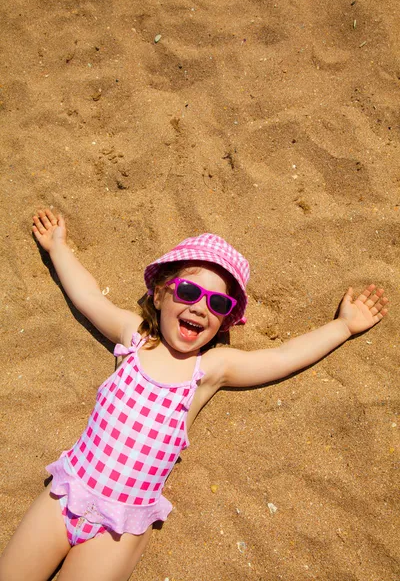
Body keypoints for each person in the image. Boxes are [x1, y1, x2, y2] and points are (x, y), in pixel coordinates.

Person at [0, 209, 389, 581]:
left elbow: (282, 357)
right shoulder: (134, 337)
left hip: (121, 526)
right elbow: (89, 297)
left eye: (218, 303)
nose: (201, 307)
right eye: (189, 291)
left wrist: (343, 327)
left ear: (224, 320)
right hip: (69, 493)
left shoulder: (209, 370)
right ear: (159, 295)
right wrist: (58, 248)